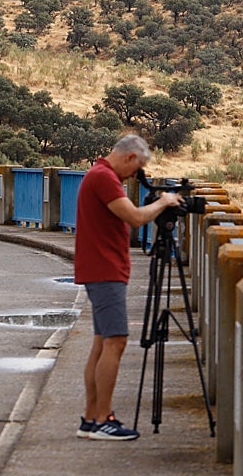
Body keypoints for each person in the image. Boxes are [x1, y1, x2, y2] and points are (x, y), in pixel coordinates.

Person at [74, 134, 181, 441]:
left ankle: (91, 419)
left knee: (101, 343)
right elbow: (135, 218)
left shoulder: (98, 174)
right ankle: (104, 420)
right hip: (105, 271)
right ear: (130, 156)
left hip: (100, 268)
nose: (136, 176)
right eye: (138, 168)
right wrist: (164, 201)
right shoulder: (105, 177)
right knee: (115, 342)